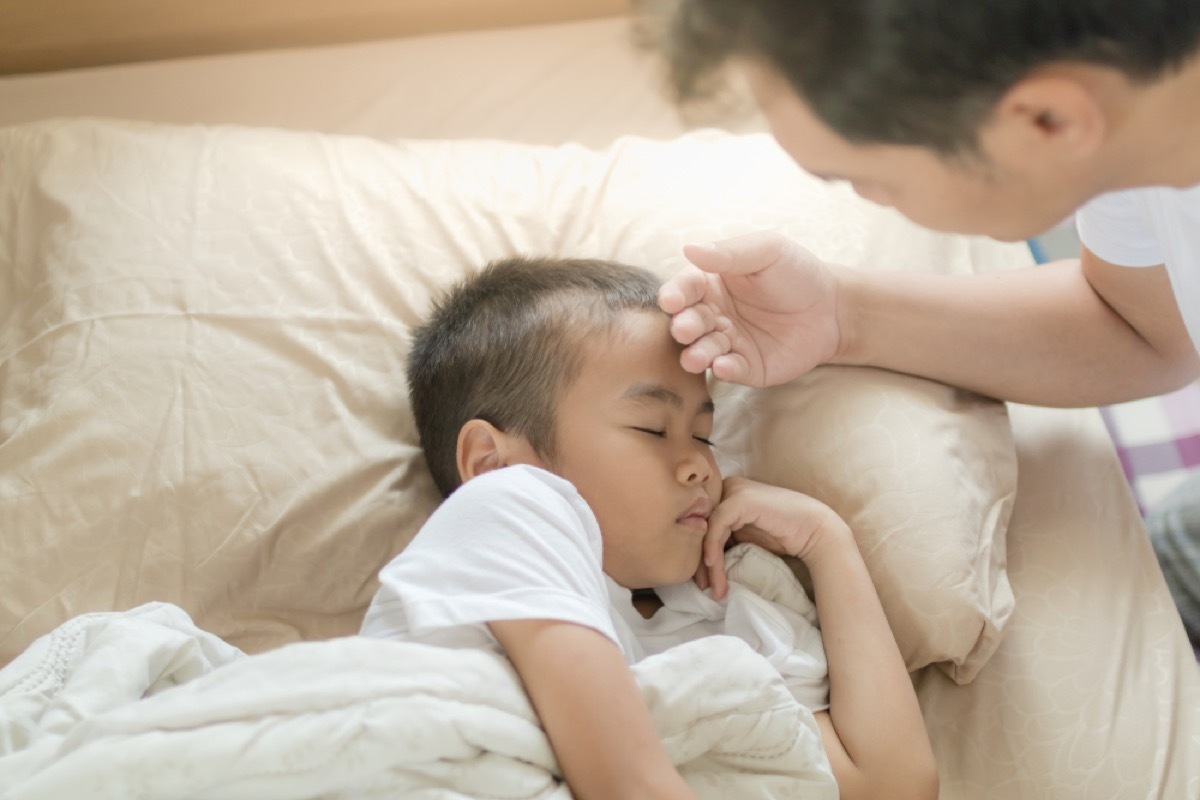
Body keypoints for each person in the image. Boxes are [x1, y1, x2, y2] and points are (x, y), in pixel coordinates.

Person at [360, 256, 937, 800]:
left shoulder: (731, 608)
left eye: (704, 437)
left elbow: (891, 785)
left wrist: (826, 541)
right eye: (652, 429)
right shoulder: (505, 510)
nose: (700, 465)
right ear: (493, 463)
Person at [638, 0, 1200, 407]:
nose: (866, 197)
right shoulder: (1129, 121)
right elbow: (1146, 331)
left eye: (866, 177)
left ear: (1046, 122)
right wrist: (843, 314)